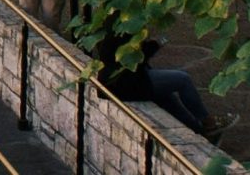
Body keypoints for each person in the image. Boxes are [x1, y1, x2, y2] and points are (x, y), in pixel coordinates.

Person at [92, 31, 238, 142]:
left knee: (169, 99)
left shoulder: (115, 24)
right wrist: (157, 43)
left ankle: (200, 132)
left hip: (120, 83)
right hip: (126, 84)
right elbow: (137, 57)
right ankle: (207, 122)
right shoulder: (126, 27)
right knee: (182, 80)